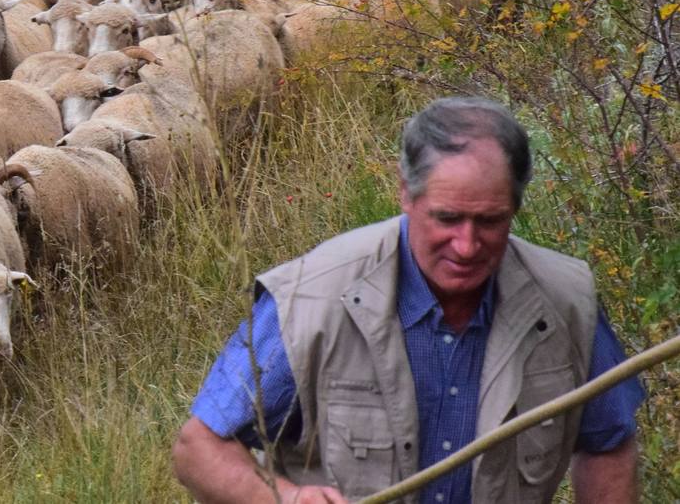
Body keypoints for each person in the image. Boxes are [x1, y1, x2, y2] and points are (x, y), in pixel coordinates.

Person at [173, 97, 645, 504]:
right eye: (447, 218)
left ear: (516, 208)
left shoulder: (565, 300)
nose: (466, 245)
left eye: (490, 222)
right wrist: (285, 497)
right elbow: (200, 447)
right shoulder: (312, 297)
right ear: (405, 193)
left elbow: (608, 442)